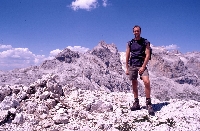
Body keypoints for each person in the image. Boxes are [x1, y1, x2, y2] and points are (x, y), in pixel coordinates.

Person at [125, 25, 154, 115]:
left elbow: (148, 55)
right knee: (134, 83)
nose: (136, 32)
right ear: (133, 32)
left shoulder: (145, 42)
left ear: (140, 32)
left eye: (138, 31)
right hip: (133, 65)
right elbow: (127, 55)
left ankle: (148, 103)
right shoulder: (130, 43)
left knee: (146, 81)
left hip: (142, 64)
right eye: (135, 31)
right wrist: (127, 67)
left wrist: (143, 66)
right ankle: (136, 102)